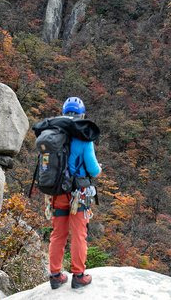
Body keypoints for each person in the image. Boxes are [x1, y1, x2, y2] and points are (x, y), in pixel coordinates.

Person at [48, 97, 102, 290]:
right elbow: (93, 170)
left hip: (57, 193)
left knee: (58, 234)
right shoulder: (84, 138)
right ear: (82, 115)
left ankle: (55, 275)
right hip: (78, 194)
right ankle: (78, 275)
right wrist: (98, 170)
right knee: (79, 234)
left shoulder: (53, 134)